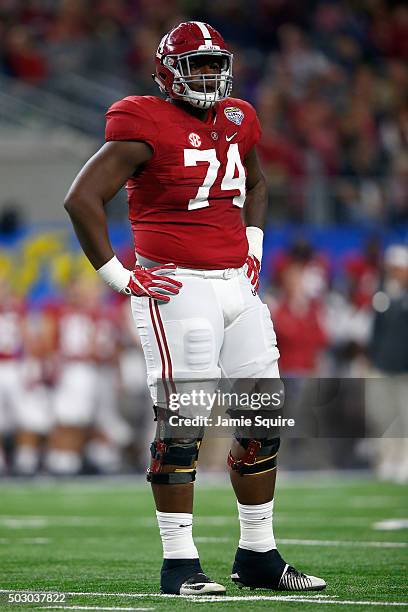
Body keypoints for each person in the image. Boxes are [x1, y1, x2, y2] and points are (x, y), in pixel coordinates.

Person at [64, 21, 326, 596]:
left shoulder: (238, 117)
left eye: (215, 63)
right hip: (180, 289)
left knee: (263, 421)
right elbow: (81, 198)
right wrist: (118, 276)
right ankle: (179, 564)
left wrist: (254, 247)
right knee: (183, 425)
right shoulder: (142, 121)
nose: (209, 75)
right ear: (167, 70)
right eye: (196, 64)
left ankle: (258, 555)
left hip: (238, 286)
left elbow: (256, 185)